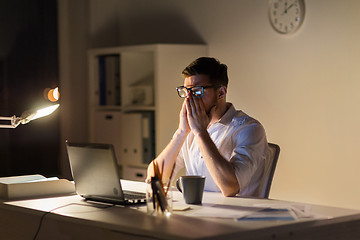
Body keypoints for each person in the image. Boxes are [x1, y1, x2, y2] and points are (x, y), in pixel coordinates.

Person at [147, 57, 268, 197]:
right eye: (186, 92)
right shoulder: (190, 129)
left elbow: (230, 188)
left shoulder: (249, 129)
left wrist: (201, 132)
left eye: (197, 92)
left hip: (235, 216)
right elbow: (154, 178)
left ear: (221, 93)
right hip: (198, 212)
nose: (189, 99)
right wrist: (181, 133)